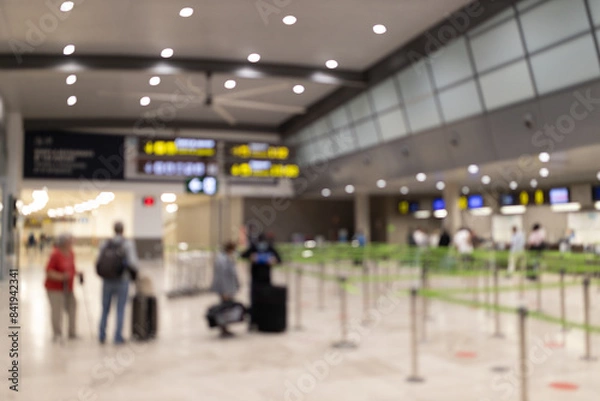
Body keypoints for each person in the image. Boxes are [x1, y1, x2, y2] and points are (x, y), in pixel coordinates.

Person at [97, 221, 139, 345]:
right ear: (123, 230)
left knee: (105, 309)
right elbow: (133, 263)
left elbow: (99, 260)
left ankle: (102, 334)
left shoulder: (105, 243)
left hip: (107, 280)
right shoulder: (127, 244)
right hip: (122, 280)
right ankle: (117, 336)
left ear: (113, 229)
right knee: (120, 309)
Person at [44, 233, 82, 343]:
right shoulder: (55, 255)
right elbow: (49, 272)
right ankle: (57, 333)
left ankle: (72, 332)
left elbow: (72, 268)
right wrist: (62, 277)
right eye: (69, 241)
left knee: (73, 307)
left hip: (68, 287)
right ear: (64, 243)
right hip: (55, 288)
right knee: (57, 310)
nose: (72, 243)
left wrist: (77, 273)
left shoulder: (71, 253)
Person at [241, 233, 281, 331]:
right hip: (255, 279)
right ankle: (253, 322)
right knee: (254, 301)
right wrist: (251, 257)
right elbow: (243, 255)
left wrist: (273, 260)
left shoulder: (270, 248)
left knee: (265, 301)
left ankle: (264, 322)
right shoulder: (253, 248)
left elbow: (279, 260)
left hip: (266, 279)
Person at [210, 241, 240, 338]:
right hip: (224, 289)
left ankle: (226, 327)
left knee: (228, 309)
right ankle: (223, 328)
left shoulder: (227, 257)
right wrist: (224, 292)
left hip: (229, 288)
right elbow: (221, 276)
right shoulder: (221, 259)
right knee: (224, 309)